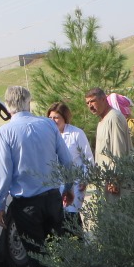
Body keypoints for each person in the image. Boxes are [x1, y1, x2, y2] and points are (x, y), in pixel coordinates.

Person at [0, 86, 74, 267]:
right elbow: (67, 161)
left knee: (37, 258)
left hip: (26, 204)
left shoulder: (5, 132)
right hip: (51, 197)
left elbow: (3, 174)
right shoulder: (48, 124)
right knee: (60, 251)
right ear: (29, 102)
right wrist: (67, 187)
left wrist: (0, 205)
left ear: (8, 107)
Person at [46, 101, 93, 238]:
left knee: (71, 217)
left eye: (56, 117)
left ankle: (78, 248)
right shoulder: (47, 135)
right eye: (50, 118)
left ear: (64, 118)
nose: (53, 121)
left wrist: (85, 178)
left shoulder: (76, 134)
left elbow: (88, 159)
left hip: (75, 183)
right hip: (54, 185)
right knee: (57, 219)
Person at [85, 87, 133, 195]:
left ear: (103, 99)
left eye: (92, 101)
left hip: (116, 183)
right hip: (105, 181)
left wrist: (115, 179)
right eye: (87, 103)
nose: (90, 106)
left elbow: (118, 150)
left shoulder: (114, 118)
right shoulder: (102, 120)